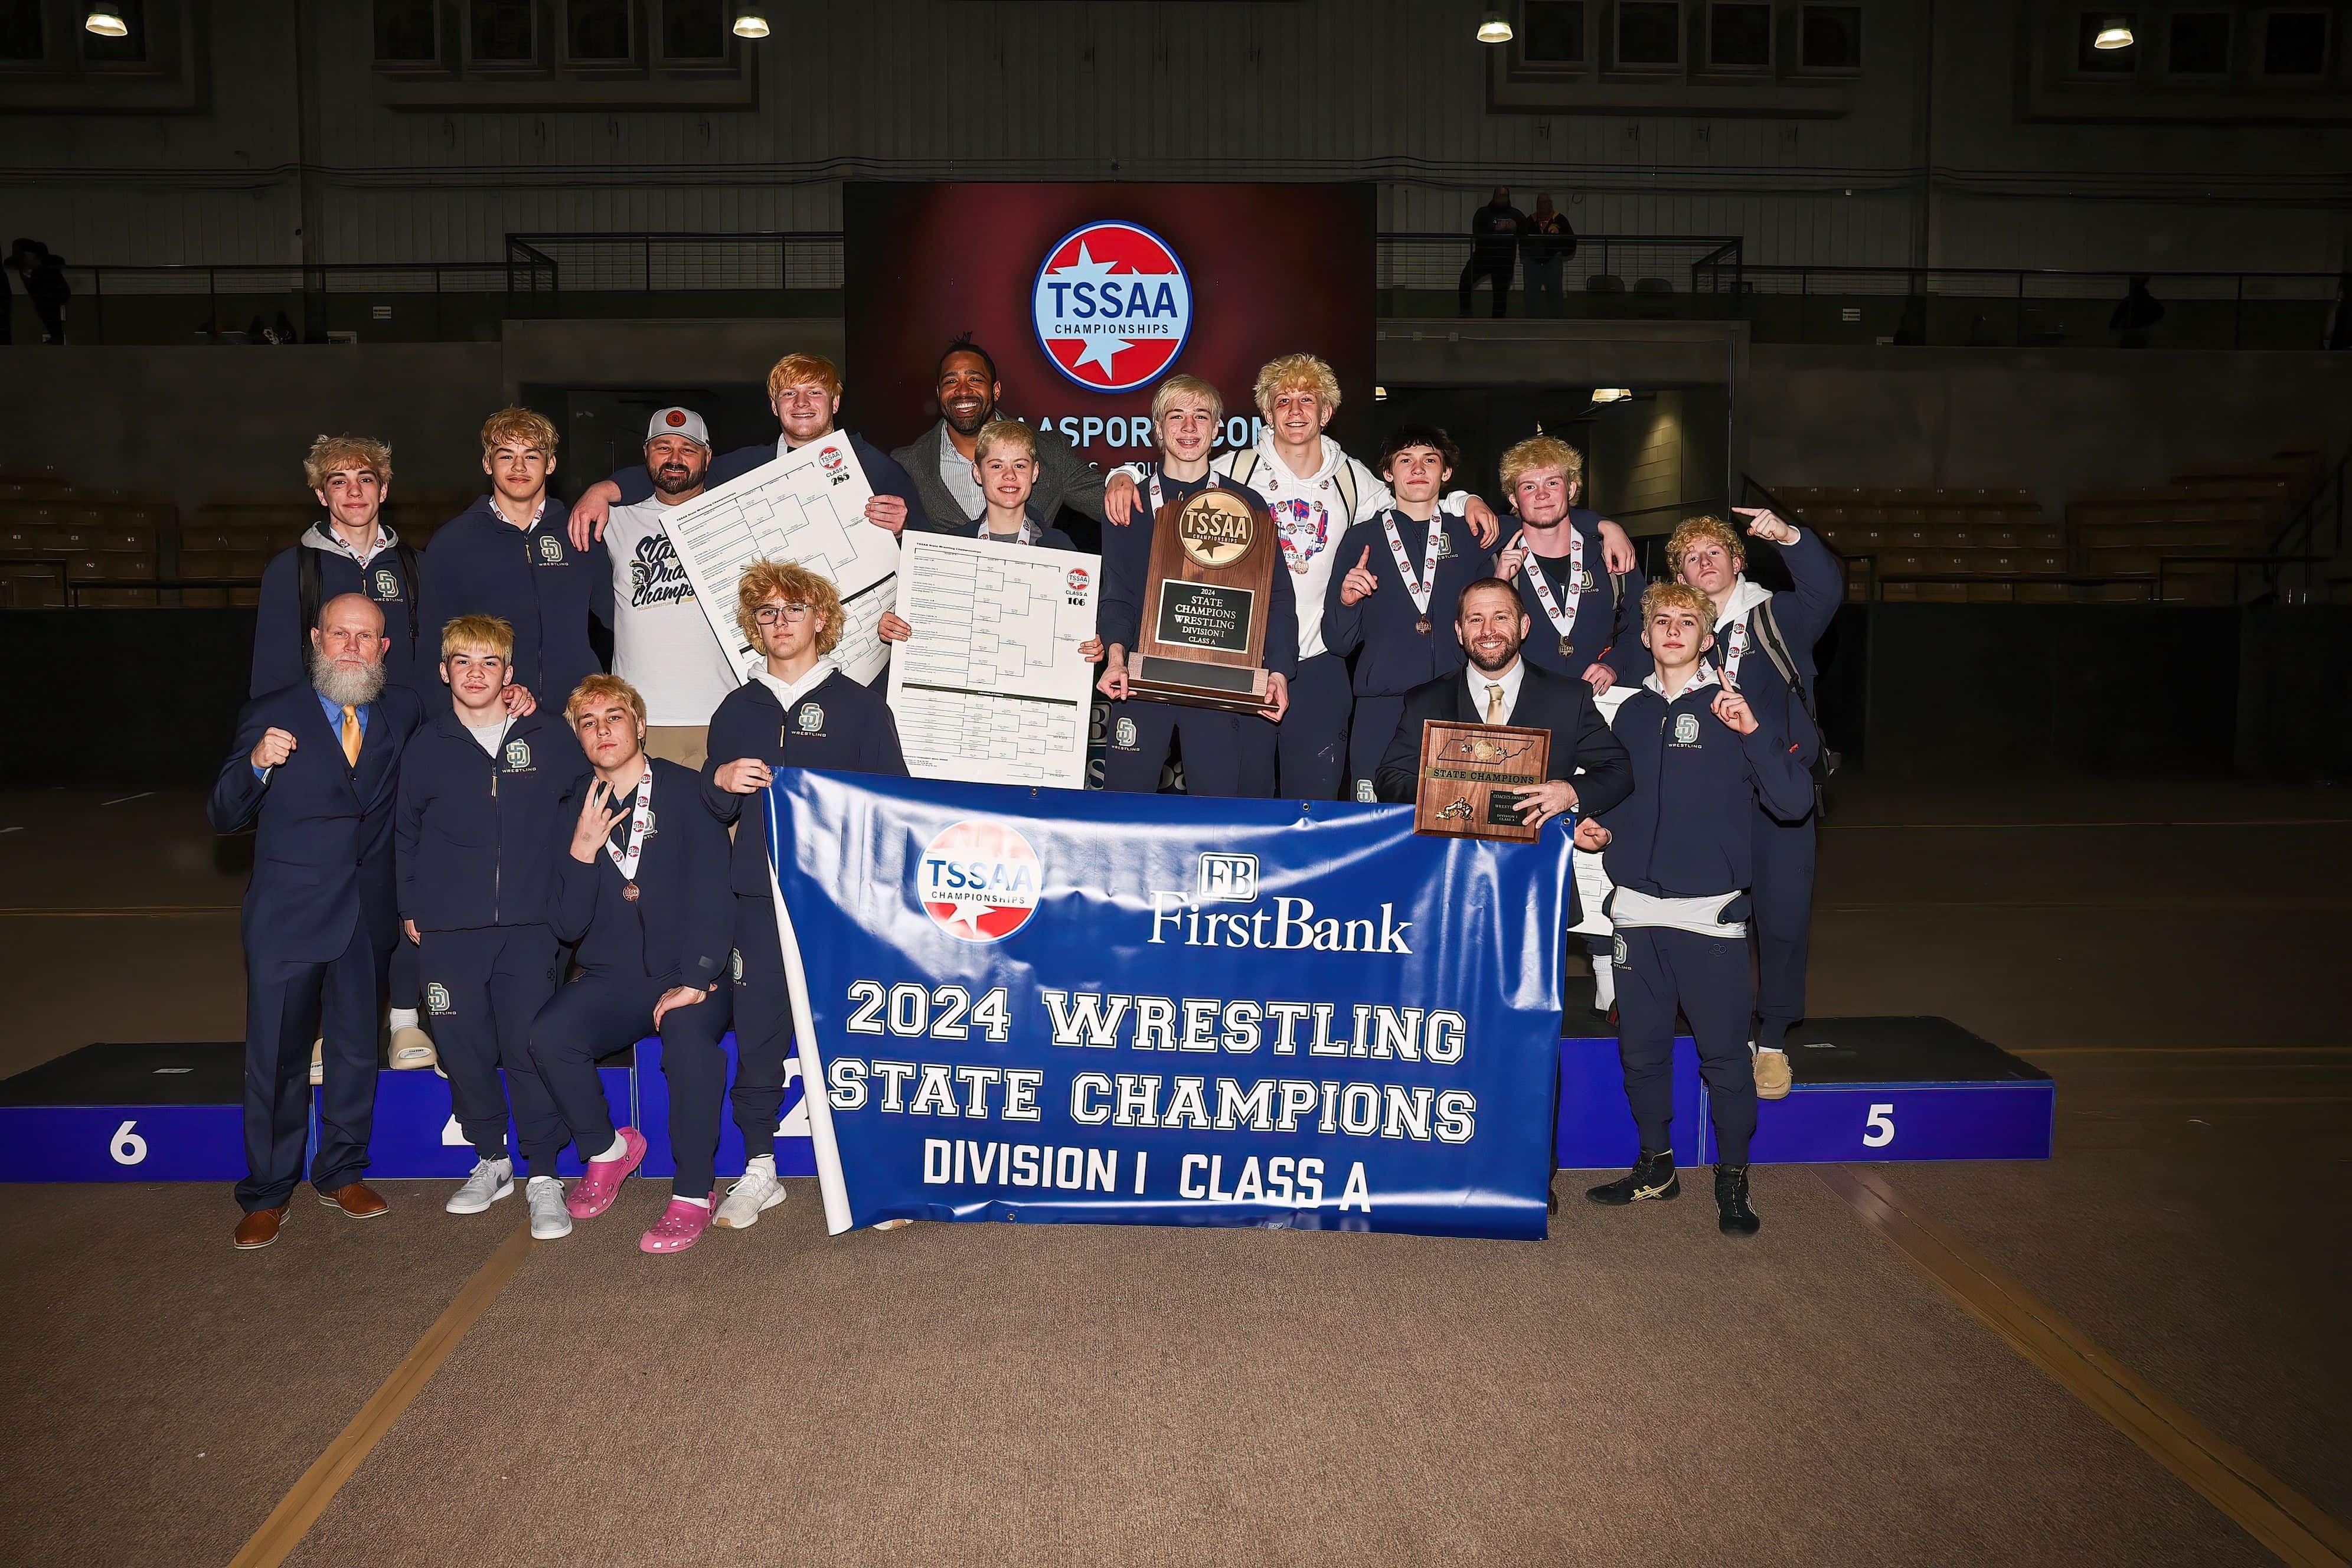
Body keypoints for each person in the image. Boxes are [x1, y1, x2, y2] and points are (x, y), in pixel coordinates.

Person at [1101, 354, 1513, 800]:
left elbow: (1415, 499)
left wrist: (1464, 501)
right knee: (1241, 797)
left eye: (1307, 400)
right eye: (1283, 401)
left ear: (1327, 412)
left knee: (1312, 799)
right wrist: (1121, 475)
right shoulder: (1237, 471)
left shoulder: (1353, 479)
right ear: (1267, 412)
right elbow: (1179, 469)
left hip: (1320, 659)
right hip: (1243, 660)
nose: (1295, 412)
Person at [1586, 583, 1814, 1236]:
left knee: (1723, 1057)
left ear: (1708, 638)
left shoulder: (1733, 709)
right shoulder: (1626, 714)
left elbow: (1794, 802)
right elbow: (1620, 802)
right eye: (1663, 620)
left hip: (1708, 916)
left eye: (1690, 621)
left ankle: (1733, 1177)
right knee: (1642, 1050)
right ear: (1647, 636)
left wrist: (1756, 733)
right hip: (1634, 911)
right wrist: (1601, 832)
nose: (1675, 629)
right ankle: (1656, 1166)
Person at [208, 593, 426, 1250]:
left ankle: (341, 1170)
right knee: (275, 1057)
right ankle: (269, 1191)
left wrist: (517, 698)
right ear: (316, 639)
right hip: (288, 915)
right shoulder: (272, 713)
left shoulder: (402, 711)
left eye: (367, 636)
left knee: (357, 1050)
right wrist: (255, 766)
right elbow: (222, 813)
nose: (353, 647)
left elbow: (464, 718)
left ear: (384, 648)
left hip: (365, 913)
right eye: (340, 634)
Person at [705, 560, 910, 1230]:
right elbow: (712, 809)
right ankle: (760, 1166)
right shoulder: (737, 708)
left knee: (848, 1034)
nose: (780, 622)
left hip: (838, 903)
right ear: (753, 628)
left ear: (822, 618)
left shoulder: (860, 706)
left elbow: (896, 808)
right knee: (759, 1032)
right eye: (766, 613)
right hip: (758, 898)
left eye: (793, 609)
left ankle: (864, 1172)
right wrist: (720, 781)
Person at [396, 615, 584, 1241]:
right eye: (464, 662)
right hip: (449, 930)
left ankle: (546, 1175)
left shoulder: (546, 736)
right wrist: (411, 906)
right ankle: (491, 1158)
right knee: (463, 1047)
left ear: (510, 674)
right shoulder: (426, 745)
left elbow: (584, 809)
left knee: (530, 1048)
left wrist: (566, 895)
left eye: (490, 662)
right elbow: (406, 832)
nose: (477, 673)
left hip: (529, 928)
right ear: (445, 670)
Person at [533, 675, 736, 1255]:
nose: (603, 730)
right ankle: (607, 1150)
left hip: (695, 971)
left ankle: (695, 1194)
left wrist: (697, 979)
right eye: (589, 723)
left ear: (639, 725)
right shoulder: (571, 806)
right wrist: (581, 850)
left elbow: (714, 894)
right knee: (549, 1035)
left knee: (689, 1044)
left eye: (614, 717)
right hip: (612, 975)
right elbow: (568, 926)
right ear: (579, 738)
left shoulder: (688, 790)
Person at [1668, 508, 1842, 1099]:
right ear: (1680, 573)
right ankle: (1729, 1032)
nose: (1705, 561)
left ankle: (1771, 1041)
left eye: (1715, 551)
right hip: (1707, 799)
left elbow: (1826, 588)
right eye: (1692, 556)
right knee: (1714, 924)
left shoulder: (1781, 616)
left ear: (1738, 561)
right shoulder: (1676, 627)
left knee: (1784, 919)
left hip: (1778, 791)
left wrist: (1791, 536)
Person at [1491, 435, 1651, 1015]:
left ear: (1573, 490)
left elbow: (1642, 626)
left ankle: (1608, 971)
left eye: (1552, 482)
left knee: (1600, 834)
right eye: (1528, 486)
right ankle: (1523, 978)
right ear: (1513, 499)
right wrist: (1503, 582)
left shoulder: (1608, 552)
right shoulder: (1501, 559)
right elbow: (1487, 638)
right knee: (1530, 838)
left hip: (1599, 709)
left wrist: (1615, 663)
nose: (1541, 494)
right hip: (1528, 716)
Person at [1096, 375, 1296, 798]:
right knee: (1123, 809)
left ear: (1217, 429)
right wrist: (1115, 658)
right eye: (1177, 416)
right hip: (1141, 680)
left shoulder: (1248, 505)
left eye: (1201, 416)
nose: (1189, 427)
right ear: (1157, 427)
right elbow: (1117, 593)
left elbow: (1276, 597)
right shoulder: (1127, 501)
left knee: (1217, 811)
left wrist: (1278, 670)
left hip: (1219, 686)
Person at [564, 352, 927, 548]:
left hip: (857, 644)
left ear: (834, 402)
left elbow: (924, 547)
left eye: (814, 392)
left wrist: (902, 529)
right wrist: (604, 490)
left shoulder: (878, 468)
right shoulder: (746, 466)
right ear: (774, 406)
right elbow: (679, 475)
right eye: (789, 394)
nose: (801, 403)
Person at [1371, 577, 1632, 837]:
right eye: (1475, 619)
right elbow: (1391, 778)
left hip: (1536, 866)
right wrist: (1442, 795)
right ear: (1460, 632)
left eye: (1501, 618)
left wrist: (1569, 793)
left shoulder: (1569, 698)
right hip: (1452, 863)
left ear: (1524, 626)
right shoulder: (1425, 700)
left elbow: (1619, 770)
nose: (1488, 631)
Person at [1320, 425, 1491, 802]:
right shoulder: (1360, 538)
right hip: (1382, 710)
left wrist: (1604, 527)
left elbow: (1546, 521)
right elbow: (1337, 641)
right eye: (1406, 460)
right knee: (1373, 830)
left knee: (1454, 820)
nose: (1418, 469)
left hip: (1456, 706)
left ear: (1445, 473)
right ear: (1388, 473)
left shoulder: (1470, 535)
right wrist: (1347, 603)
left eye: (1430, 460)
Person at [420, 407, 602, 733]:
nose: (519, 467)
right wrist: (448, 725)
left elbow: (621, 615)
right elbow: (434, 641)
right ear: (488, 463)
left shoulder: (580, 532)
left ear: (551, 464)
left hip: (580, 715)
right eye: (506, 456)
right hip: (496, 714)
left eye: (531, 456)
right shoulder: (454, 541)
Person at [878, 417, 1103, 655]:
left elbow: (1077, 628)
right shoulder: (948, 550)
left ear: (1035, 472)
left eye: (1020, 465)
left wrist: (1093, 643)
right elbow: (927, 623)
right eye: (996, 466)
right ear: (977, 473)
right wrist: (894, 627)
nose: (1009, 476)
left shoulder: (1060, 549)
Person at [599, 407, 743, 770]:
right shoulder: (614, 521)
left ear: (708, 458)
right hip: (639, 717)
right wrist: (598, 491)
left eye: (688, 449)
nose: (675, 459)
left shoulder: (735, 518)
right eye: (663, 447)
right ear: (646, 454)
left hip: (722, 712)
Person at [890, 335, 1109, 544]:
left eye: (975, 379)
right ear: (939, 394)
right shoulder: (907, 463)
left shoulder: (1049, 451)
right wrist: (899, 534)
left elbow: (1113, 504)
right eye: (951, 381)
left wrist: (1124, 476)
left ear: (995, 391)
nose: (963, 390)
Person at [1459, 187, 1524, 319]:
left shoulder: (1516, 215)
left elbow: (1527, 232)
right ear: (1494, 196)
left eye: (1505, 195)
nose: (1503, 198)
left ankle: (1498, 325)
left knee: (1500, 296)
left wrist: (1517, 228)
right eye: (1500, 195)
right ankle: (1465, 313)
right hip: (1483, 258)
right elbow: (1477, 231)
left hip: (1504, 261)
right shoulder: (1483, 213)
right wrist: (1494, 228)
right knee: (1466, 280)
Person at [1521, 194, 1576, 318]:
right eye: (1540, 202)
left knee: (1555, 292)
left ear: (1551, 203)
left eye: (1546, 202)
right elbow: (1523, 239)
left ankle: (1556, 321)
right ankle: (1530, 320)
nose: (1543, 205)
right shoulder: (1531, 220)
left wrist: (1561, 253)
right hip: (1533, 262)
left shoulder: (1560, 220)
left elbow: (1571, 240)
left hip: (1553, 261)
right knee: (1531, 294)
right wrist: (1526, 258)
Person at [10, 239, 68, 344]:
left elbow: (59, 262)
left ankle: (57, 337)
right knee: (45, 312)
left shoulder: (45, 266)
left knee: (49, 312)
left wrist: (40, 264)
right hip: (40, 295)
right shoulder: (22, 263)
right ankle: (56, 337)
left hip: (51, 293)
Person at [2109, 275, 2165, 348]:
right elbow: (2114, 323)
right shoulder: (2129, 302)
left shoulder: (2130, 301)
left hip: (2136, 335)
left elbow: (2114, 323)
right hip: (2134, 335)